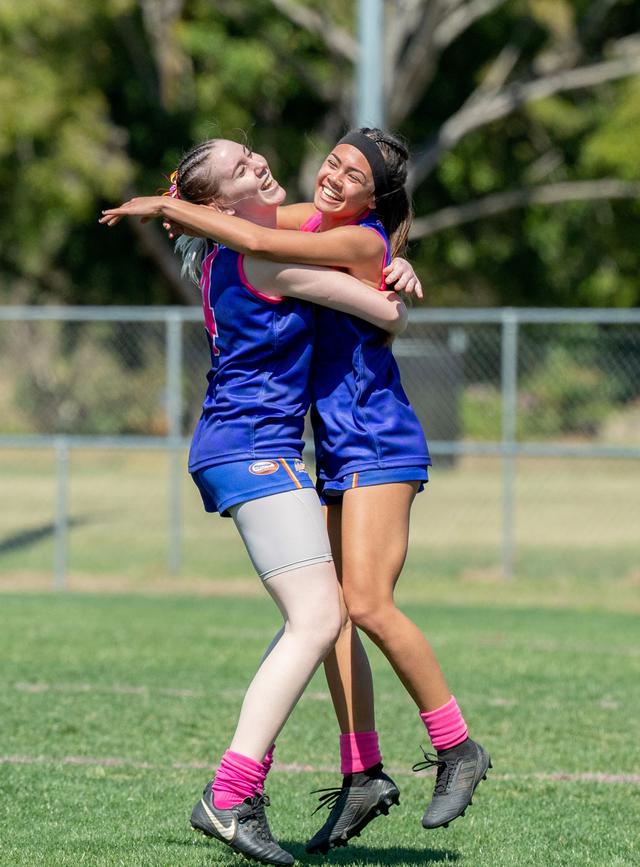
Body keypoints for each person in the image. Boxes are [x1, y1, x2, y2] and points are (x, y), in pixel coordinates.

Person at [102, 128, 491, 855]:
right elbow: (383, 312)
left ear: (377, 198)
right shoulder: (264, 254)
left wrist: (388, 262)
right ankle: (238, 789)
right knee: (325, 616)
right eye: (244, 167)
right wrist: (386, 286)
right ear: (222, 199)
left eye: (351, 171)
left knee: (344, 610)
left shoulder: (271, 244)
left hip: (335, 445)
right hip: (267, 451)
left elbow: (322, 254)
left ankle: (380, 765)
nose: (268, 164)